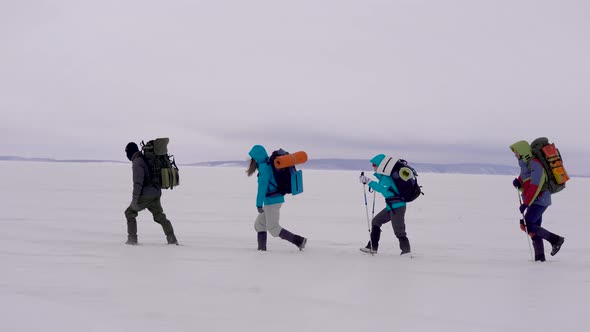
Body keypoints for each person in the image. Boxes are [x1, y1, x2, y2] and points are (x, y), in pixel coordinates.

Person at [510, 140, 564, 261]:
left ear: (523, 151)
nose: (515, 155)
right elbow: (527, 185)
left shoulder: (535, 164)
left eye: (516, 152)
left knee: (527, 225)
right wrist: (519, 183)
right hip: (534, 200)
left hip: (540, 200)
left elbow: (536, 186)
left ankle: (556, 240)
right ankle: (540, 259)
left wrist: (526, 204)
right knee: (534, 228)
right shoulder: (525, 166)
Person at [247, 145, 307, 251]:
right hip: (273, 200)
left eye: (253, 158)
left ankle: (299, 241)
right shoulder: (268, 164)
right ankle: (261, 250)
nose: (252, 161)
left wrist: (258, 204)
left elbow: (262, 187)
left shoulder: (264, 168)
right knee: (259, 224)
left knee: (273, 229)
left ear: (256, 158)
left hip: (272, 201)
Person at [124, 142, 178, 245]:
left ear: (130, 152)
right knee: (159, 216)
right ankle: (172, 240)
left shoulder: (137, 162)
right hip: (156, 192)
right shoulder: (143, 158)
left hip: (147, 194)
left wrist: (135, 200)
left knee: (129, 213)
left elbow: (138, 183)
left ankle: (132, 240)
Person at [359, 154, 411, 256]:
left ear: (380, 165)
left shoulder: (387, 177)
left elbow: (382, 189)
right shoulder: (384, 176)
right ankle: (372, 247)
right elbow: (384, 189)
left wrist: (368, 181)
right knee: (376, 221)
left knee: (399, 231)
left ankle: (406, 252)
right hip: (391, 206)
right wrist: (370, 182)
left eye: (374, 164)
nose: (373, 166)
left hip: (398, 207)